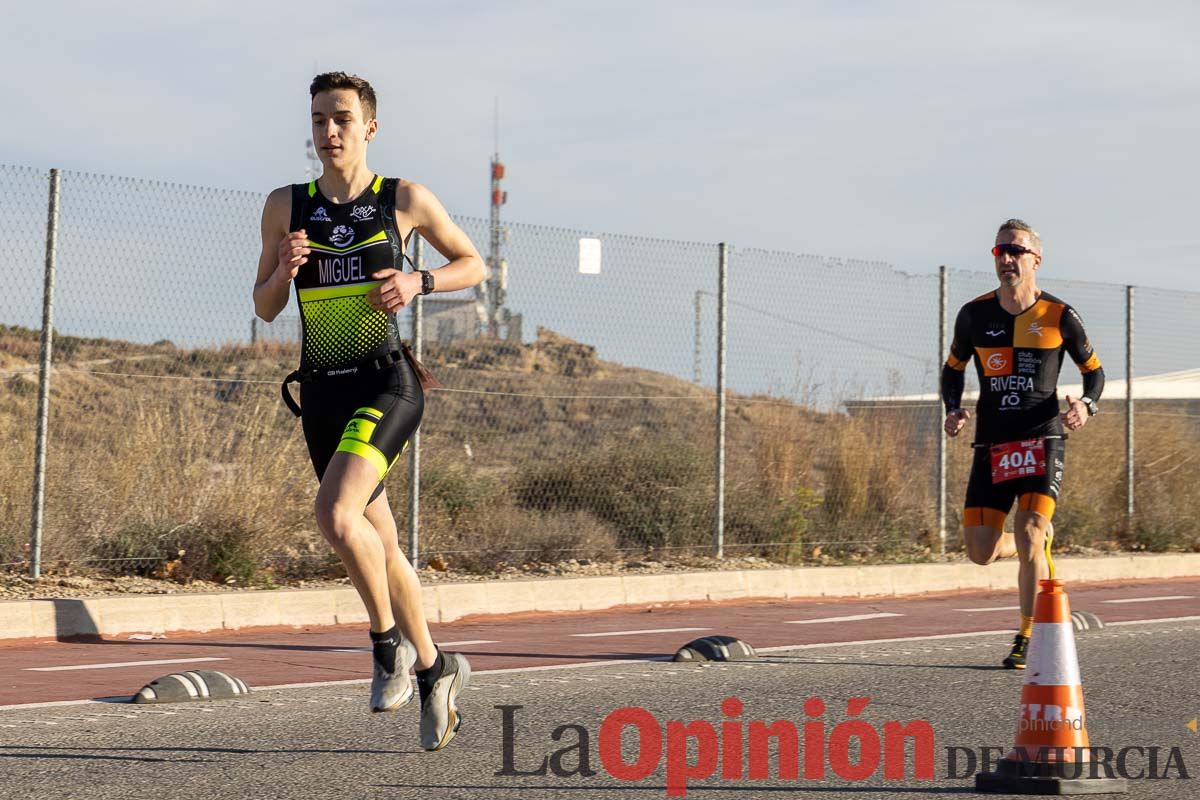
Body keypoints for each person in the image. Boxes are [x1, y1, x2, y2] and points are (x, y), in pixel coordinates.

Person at [252, 71, 485, 749]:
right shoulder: (284, 206)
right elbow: (264, 306)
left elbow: (474, 265)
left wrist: (420, 280)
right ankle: (437, 668)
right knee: (380, 546)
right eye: (320, 120)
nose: (330, 133)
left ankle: (387, 649)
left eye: (343, 120)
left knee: (334, 515)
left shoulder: (403, 200)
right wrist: (283, 273)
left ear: (369, 128)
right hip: (322, 392)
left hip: (386, 383)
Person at [941, 219, 1105, 669]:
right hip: (992, 444)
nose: (1007, 259)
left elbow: (1095, 373)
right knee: (980, 553)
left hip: (1041, 438)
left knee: (1030, 530)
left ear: (1036, 259)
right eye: (999, 252)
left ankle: (1027, 636)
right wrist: (953, 408)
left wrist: (1087, 405)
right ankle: (1029, 539)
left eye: (1015, 251)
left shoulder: (1060, 315)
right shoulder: (974, 315)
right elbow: (952, 368)